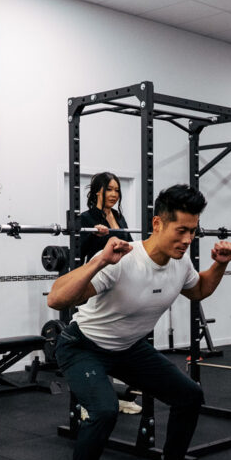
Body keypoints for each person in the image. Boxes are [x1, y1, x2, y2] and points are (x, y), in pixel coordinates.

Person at [47, 184, 231, 460]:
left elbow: (198, 290)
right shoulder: (123, 261)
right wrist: (99, 260)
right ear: (158, 224)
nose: (188, 239)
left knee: (189, 395)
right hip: (82, 346)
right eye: (181, 230)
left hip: (128, 347)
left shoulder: (181, 262)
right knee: (104, 411)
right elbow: (56, 299)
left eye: (193, 231)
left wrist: (220, 264)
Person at [77, 173, 142, 414]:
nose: (114, 194)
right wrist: (92, 234)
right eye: (110, 189)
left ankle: (117, 397)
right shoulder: (86, 218)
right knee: (96, 345)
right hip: (97, 285)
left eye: (117, 190)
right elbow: (78, 253)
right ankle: (89, 402)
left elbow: (132, 246)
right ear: (97, 191)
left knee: (118, 342)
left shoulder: (119, 217)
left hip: (121, 285)